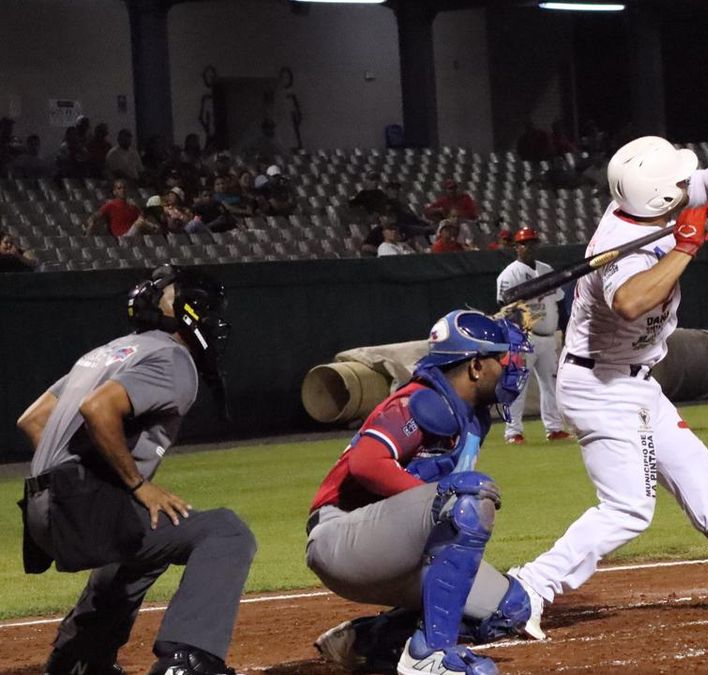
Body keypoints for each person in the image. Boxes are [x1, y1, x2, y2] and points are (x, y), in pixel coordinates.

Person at [507, 137, 708, 632]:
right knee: (628, 509)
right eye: (681, 186)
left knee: (694, 465)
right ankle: (529, 588)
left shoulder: (655, 201)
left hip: (636, 380)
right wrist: (688, 245)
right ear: (660, 198)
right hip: (599, 385)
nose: (690, 187)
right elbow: (629, 302)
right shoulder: (616, 248)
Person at [16, 265, 255, 675]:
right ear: (190, 313)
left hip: (42, 507)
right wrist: (135, 484)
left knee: (145, 538)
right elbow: (98, 408)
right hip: (78, 505)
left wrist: (71, 480)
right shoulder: (173, 357)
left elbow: (34, 420)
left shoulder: (108, 352)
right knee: (225, 531)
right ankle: (189, 659)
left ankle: (79, 657)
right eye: (210, 309)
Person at [306, 309, 543, 675]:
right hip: (342, 535)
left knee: (509, 610)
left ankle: (367, 640)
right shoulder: (421, 401)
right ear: (476, 367)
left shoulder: (468, 415)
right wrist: (440, 498)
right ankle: (428, 655)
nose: (511, 366)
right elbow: (366, 463)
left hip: (396, 546)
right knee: (466, 499)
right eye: (501, 358)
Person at [495, 227, 569, 445]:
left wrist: (564, 331)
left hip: (547, 337)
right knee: (518, 385)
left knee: (551, 385)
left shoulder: (546, 269)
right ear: (516, 247)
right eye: (524, 243)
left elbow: (559, 301)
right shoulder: (510, 274)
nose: (529, 247)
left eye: (532, 242)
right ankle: (513, 432)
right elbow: (504, 306)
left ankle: (554, 428)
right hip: (524, 337)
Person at [86, 179, 156, 237]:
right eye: (119, 188)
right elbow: (95, 216)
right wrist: (91, 222)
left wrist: (137, 206)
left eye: (124, 188)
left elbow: (142, 217)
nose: (123, 190)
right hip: (122, 236)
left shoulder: (132, 206)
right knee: (140, 223)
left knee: (149, 222)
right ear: (114, 191)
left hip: (135, 234)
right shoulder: (111, 205)